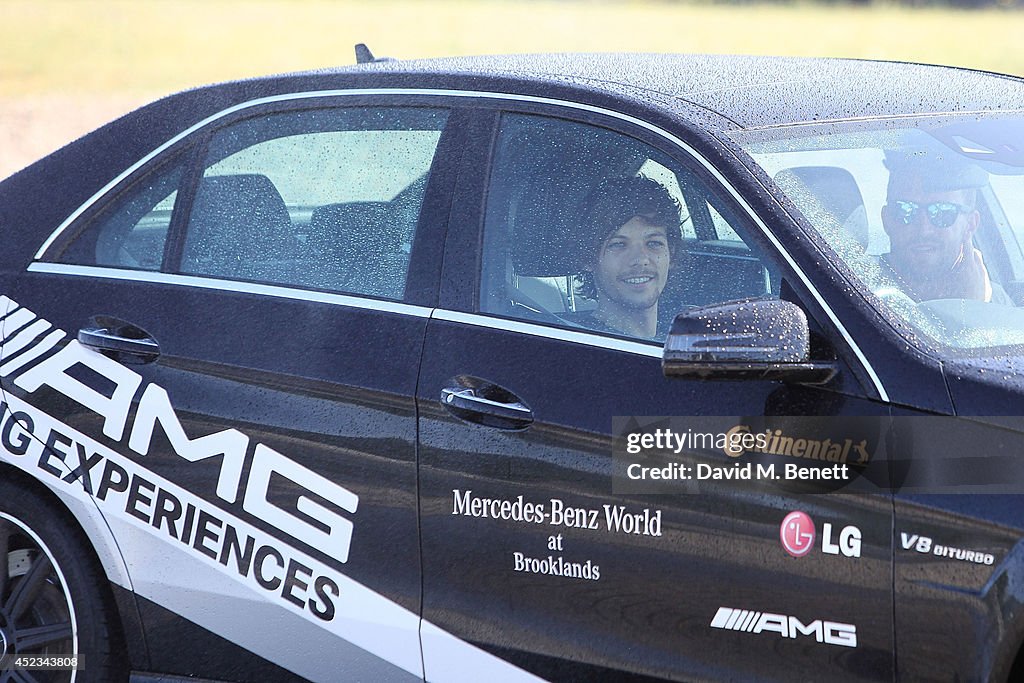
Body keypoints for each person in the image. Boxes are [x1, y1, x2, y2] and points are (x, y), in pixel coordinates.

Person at [880, 150, 1013, 305]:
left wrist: (974, 305)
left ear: (970, 225)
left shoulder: (996, 303)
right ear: (886, 219)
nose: (924, 229)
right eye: (905, 210)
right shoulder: (854, 289)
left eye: (943, 212)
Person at [570, 176, 684, 339]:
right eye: (618, 244)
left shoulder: (689, 335)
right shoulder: (576, 344)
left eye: (653, 243)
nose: (640, 259)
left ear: (671, 253)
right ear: (587, 258)